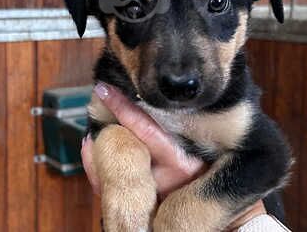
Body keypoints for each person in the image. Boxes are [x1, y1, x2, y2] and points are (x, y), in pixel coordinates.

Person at [81, 83, 290, 231]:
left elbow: (269, 158)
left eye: (216, 15)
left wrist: (179, 221)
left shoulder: (230, 96)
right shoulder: (115, 84)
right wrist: (119, 160)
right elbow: (99, 131)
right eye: (137, 16)